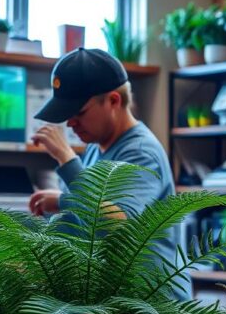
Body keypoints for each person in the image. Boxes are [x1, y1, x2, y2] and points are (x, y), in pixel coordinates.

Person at [28, 48, 191, 299]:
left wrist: (67, 158)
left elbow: (118, 229)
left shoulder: (141, 152)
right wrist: (61, 203)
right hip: (119, 306)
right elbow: (91, 215)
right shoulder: (96, 149)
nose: (70, 123)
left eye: (79, 112)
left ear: (114, 101)